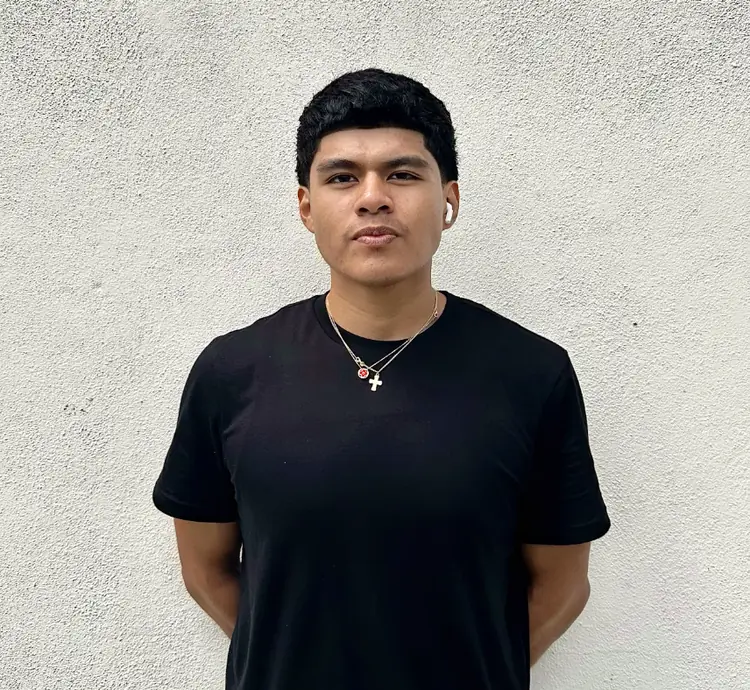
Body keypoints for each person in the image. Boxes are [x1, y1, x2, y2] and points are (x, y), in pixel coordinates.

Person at [152, 67, 611, 690]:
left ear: (449, 201)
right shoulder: (232, 372)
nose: (373, 197)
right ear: (306, 207)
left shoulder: (531, 374)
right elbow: (205, 571)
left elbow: (561, 585)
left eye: (402, 174)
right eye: (342, 177)